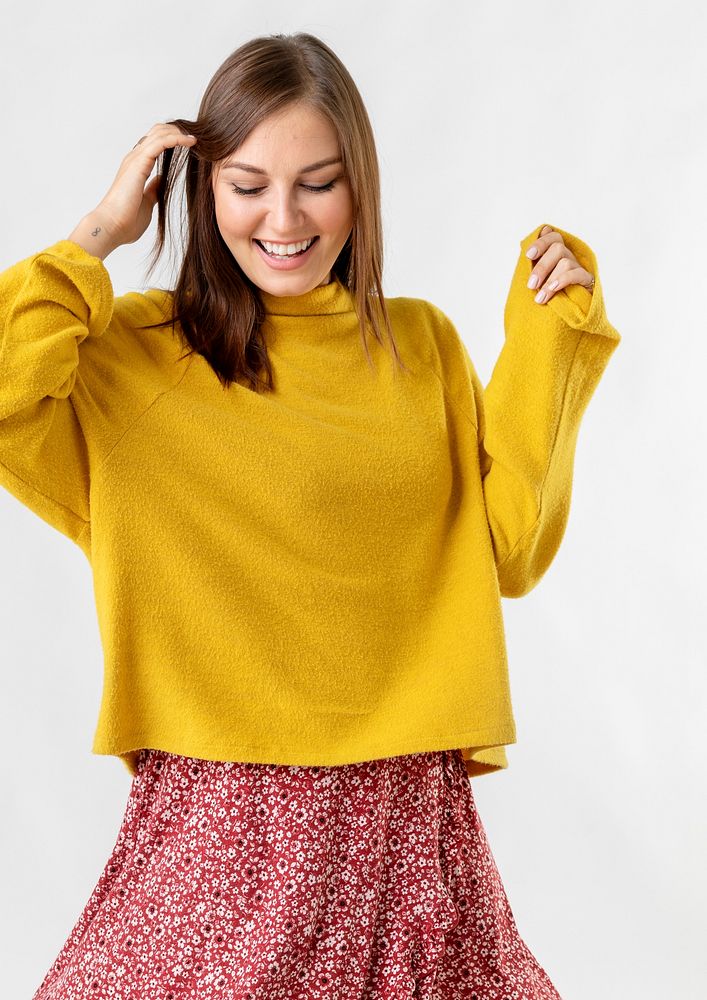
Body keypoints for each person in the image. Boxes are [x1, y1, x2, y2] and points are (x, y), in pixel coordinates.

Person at [0, 31, 620, 1000]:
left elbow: (506, 545)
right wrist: (97, 233)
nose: (282, 218)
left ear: (359, 188)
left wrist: (549, 337)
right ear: (200, 191)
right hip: (227, 819)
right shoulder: (138, 356)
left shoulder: (419, 344)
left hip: (407, 815)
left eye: (317, 182)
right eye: (246, 184)